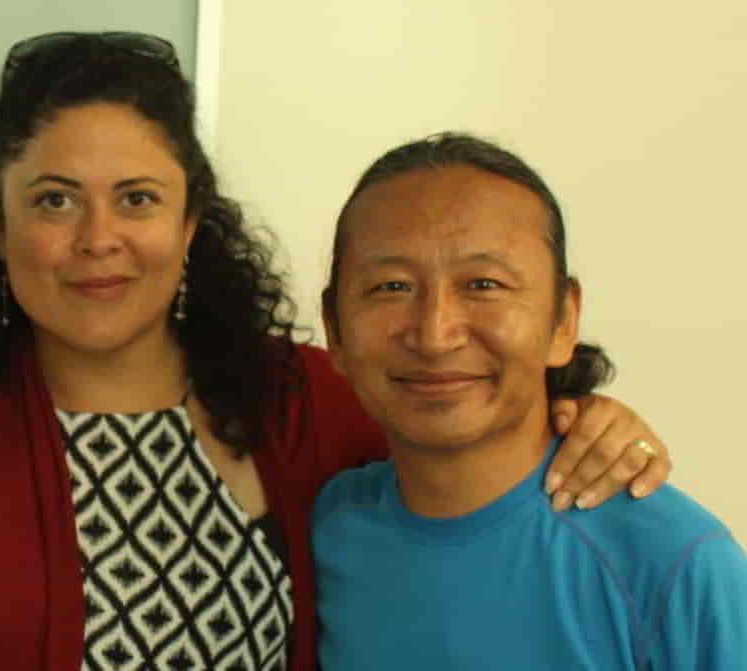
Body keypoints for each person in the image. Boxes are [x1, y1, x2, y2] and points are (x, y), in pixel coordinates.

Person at [0, 35, 670, 671]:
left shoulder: (317, 402)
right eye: (53, 200)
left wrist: (587, 412)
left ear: (193, 222)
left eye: (137, 199)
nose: (98, 239)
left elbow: (467, 422)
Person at [314, 132, 747, 669]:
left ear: (563, 320)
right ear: (334, 328)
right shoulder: (329, 527)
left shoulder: (672, 561)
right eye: (391, 287)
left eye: (484, 284)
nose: (434, 333)